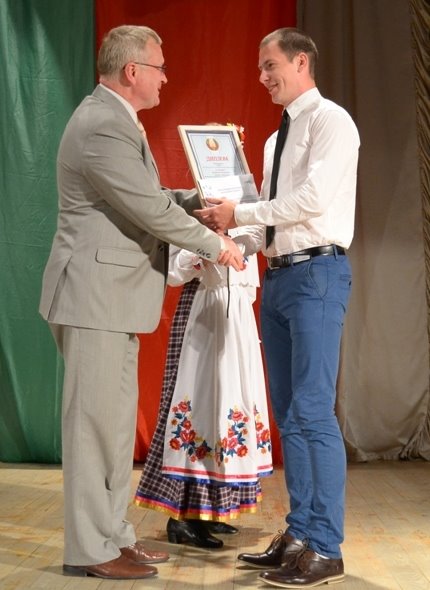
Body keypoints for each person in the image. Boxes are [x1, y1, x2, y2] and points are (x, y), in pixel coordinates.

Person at [39, 25, 244, 581]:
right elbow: (147, 210)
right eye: (159, 67)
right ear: (133, 71)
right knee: (92, 431)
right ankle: (89, 549)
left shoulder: (116, 120)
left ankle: (115, 537)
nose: (165, 78)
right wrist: (215, 244)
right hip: (93, 299)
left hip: (111, 301)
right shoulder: (102, 124)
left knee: (111, 431)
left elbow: (147, 197)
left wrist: (198, 200)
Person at [196, 27, 360, 588]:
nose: (263, 76)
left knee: (313, 410)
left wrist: (238, 214)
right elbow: (268, 223)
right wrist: (224, 235)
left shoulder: (332, 122)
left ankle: (327, 548)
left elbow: (311, 200)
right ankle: (300, 533)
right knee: (289, 413)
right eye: (261, 67)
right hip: (281, 277)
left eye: (271, 65)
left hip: (318, 274)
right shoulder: (273, 141)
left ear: (301, 61)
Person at [135, 225, 273, 549]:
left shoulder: (248, 212)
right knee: (199, 408)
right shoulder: (193, 216)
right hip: (204, 310)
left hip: (236, 313)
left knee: (226, 410)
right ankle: (184, 517)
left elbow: (254, 248)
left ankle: (211, 508)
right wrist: (209, 246)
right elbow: (174, 270)